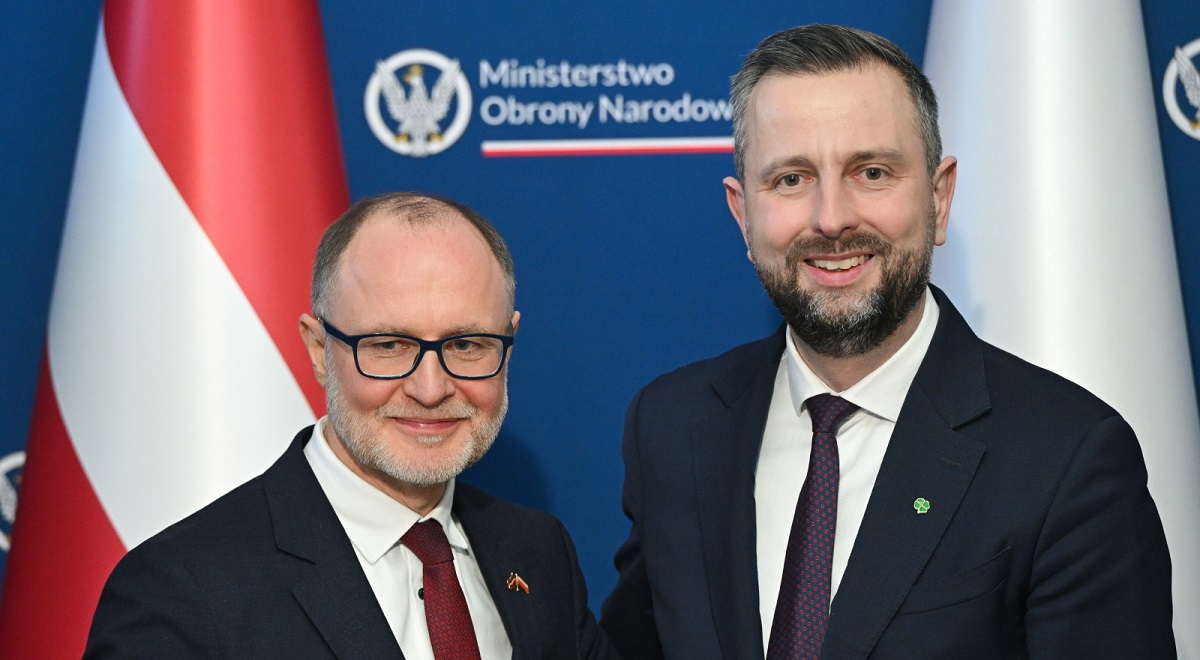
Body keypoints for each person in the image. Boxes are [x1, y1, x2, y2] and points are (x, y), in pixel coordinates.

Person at [599, 24, 1174, 659]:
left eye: (871, 172)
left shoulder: (1067, 459)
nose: (832, 217)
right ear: (742, 213)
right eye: (790, 179)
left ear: (939, 196)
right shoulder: (672, 429)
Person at [86, 193, 616, 659]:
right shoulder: (182, 590)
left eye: (465, 345)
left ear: (509, 342)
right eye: (388, 346)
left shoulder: (538, 551)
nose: (430, 389)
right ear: (320, 350)